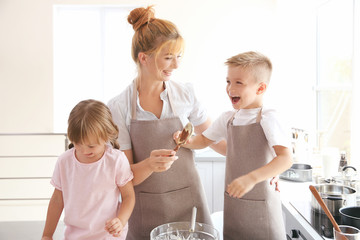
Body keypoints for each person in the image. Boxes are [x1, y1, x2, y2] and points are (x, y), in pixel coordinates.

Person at [107, 6, 227, 240]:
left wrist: (263, 163)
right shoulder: (118, 106)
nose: (176, 65)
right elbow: (124, 176)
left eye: (179, 56)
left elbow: (217, 140)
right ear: (144, 58)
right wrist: (150, 165)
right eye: (169, 57)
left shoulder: (185, 94)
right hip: (143, 208)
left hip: (188, 205)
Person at [173, 51, 293, 240]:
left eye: (239, 82)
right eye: (228, 81)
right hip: (235, 208)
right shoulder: (228, 118)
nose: (230, 88)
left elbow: (285, 159)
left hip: (262, 209)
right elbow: (203, 140)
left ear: (260, 89)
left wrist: (251, 178)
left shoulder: (269, 117)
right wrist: (184, 140)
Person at [41, 99, 135, 240]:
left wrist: (121, 221)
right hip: (75, 236)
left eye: (91, 146)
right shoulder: (64, 162)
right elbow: (57, 201)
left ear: (107, 135)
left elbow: (128, 196)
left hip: (109, 236)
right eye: (78, 144)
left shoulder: (116, 160)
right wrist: (47, 235)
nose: (84, 151)